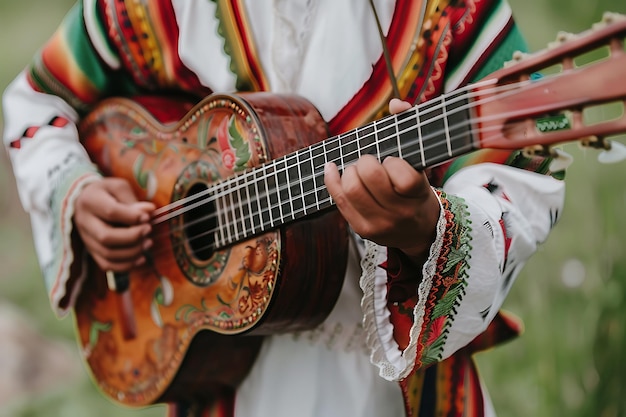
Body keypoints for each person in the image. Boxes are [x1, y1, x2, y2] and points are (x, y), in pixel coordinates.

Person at [2, 1, 566, 416]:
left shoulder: (443, 12)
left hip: (393, 395)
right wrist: (75, 192)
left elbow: (520, 158)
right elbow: (36, 101)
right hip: (222, 383)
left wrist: (427, 228)